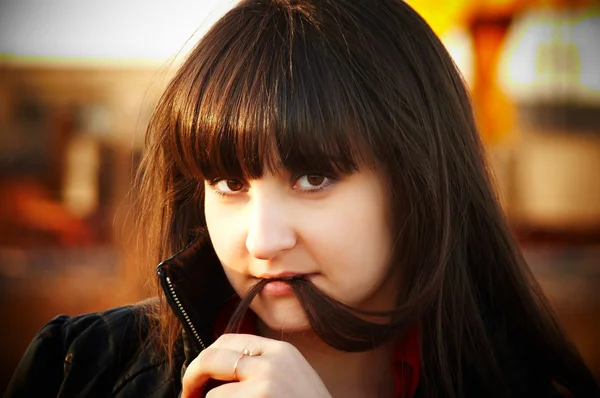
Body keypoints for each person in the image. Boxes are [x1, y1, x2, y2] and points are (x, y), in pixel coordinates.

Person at [6, 0, 600, 397]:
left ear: (421, 181)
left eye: (313, 178)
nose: (261, 241)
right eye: (229, 183)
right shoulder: (79, 368)